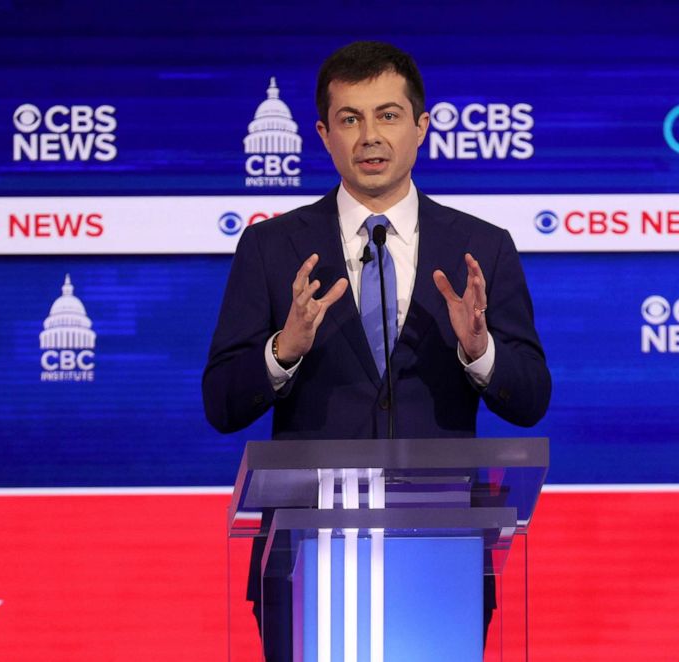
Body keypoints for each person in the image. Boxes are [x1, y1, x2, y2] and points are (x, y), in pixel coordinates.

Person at [203, 42, 551, 659]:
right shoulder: (272, 248)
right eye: (350, 118)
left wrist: (480, 352)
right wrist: (283, 350)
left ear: (421, 127)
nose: (370, 136)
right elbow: (222, 402)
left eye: (388, 116)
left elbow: (529, 399)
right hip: (305, 562)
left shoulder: (482, 247)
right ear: (323, 134)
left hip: (442, 557)